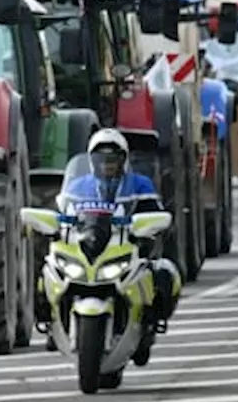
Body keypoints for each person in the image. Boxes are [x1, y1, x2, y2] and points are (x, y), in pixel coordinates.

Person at [66, 128, 181, 324]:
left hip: (127, 246)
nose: (107, 164)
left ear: (124, 160)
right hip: (87, 245)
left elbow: (156, 214)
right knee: (50, 270)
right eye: (101, 159)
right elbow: (63, 215)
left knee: (163, 273)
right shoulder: (77, 187)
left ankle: (150, 320)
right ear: (91, 161)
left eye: (113, 160)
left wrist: (147, 227)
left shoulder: (140, 184)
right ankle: (53, 320)